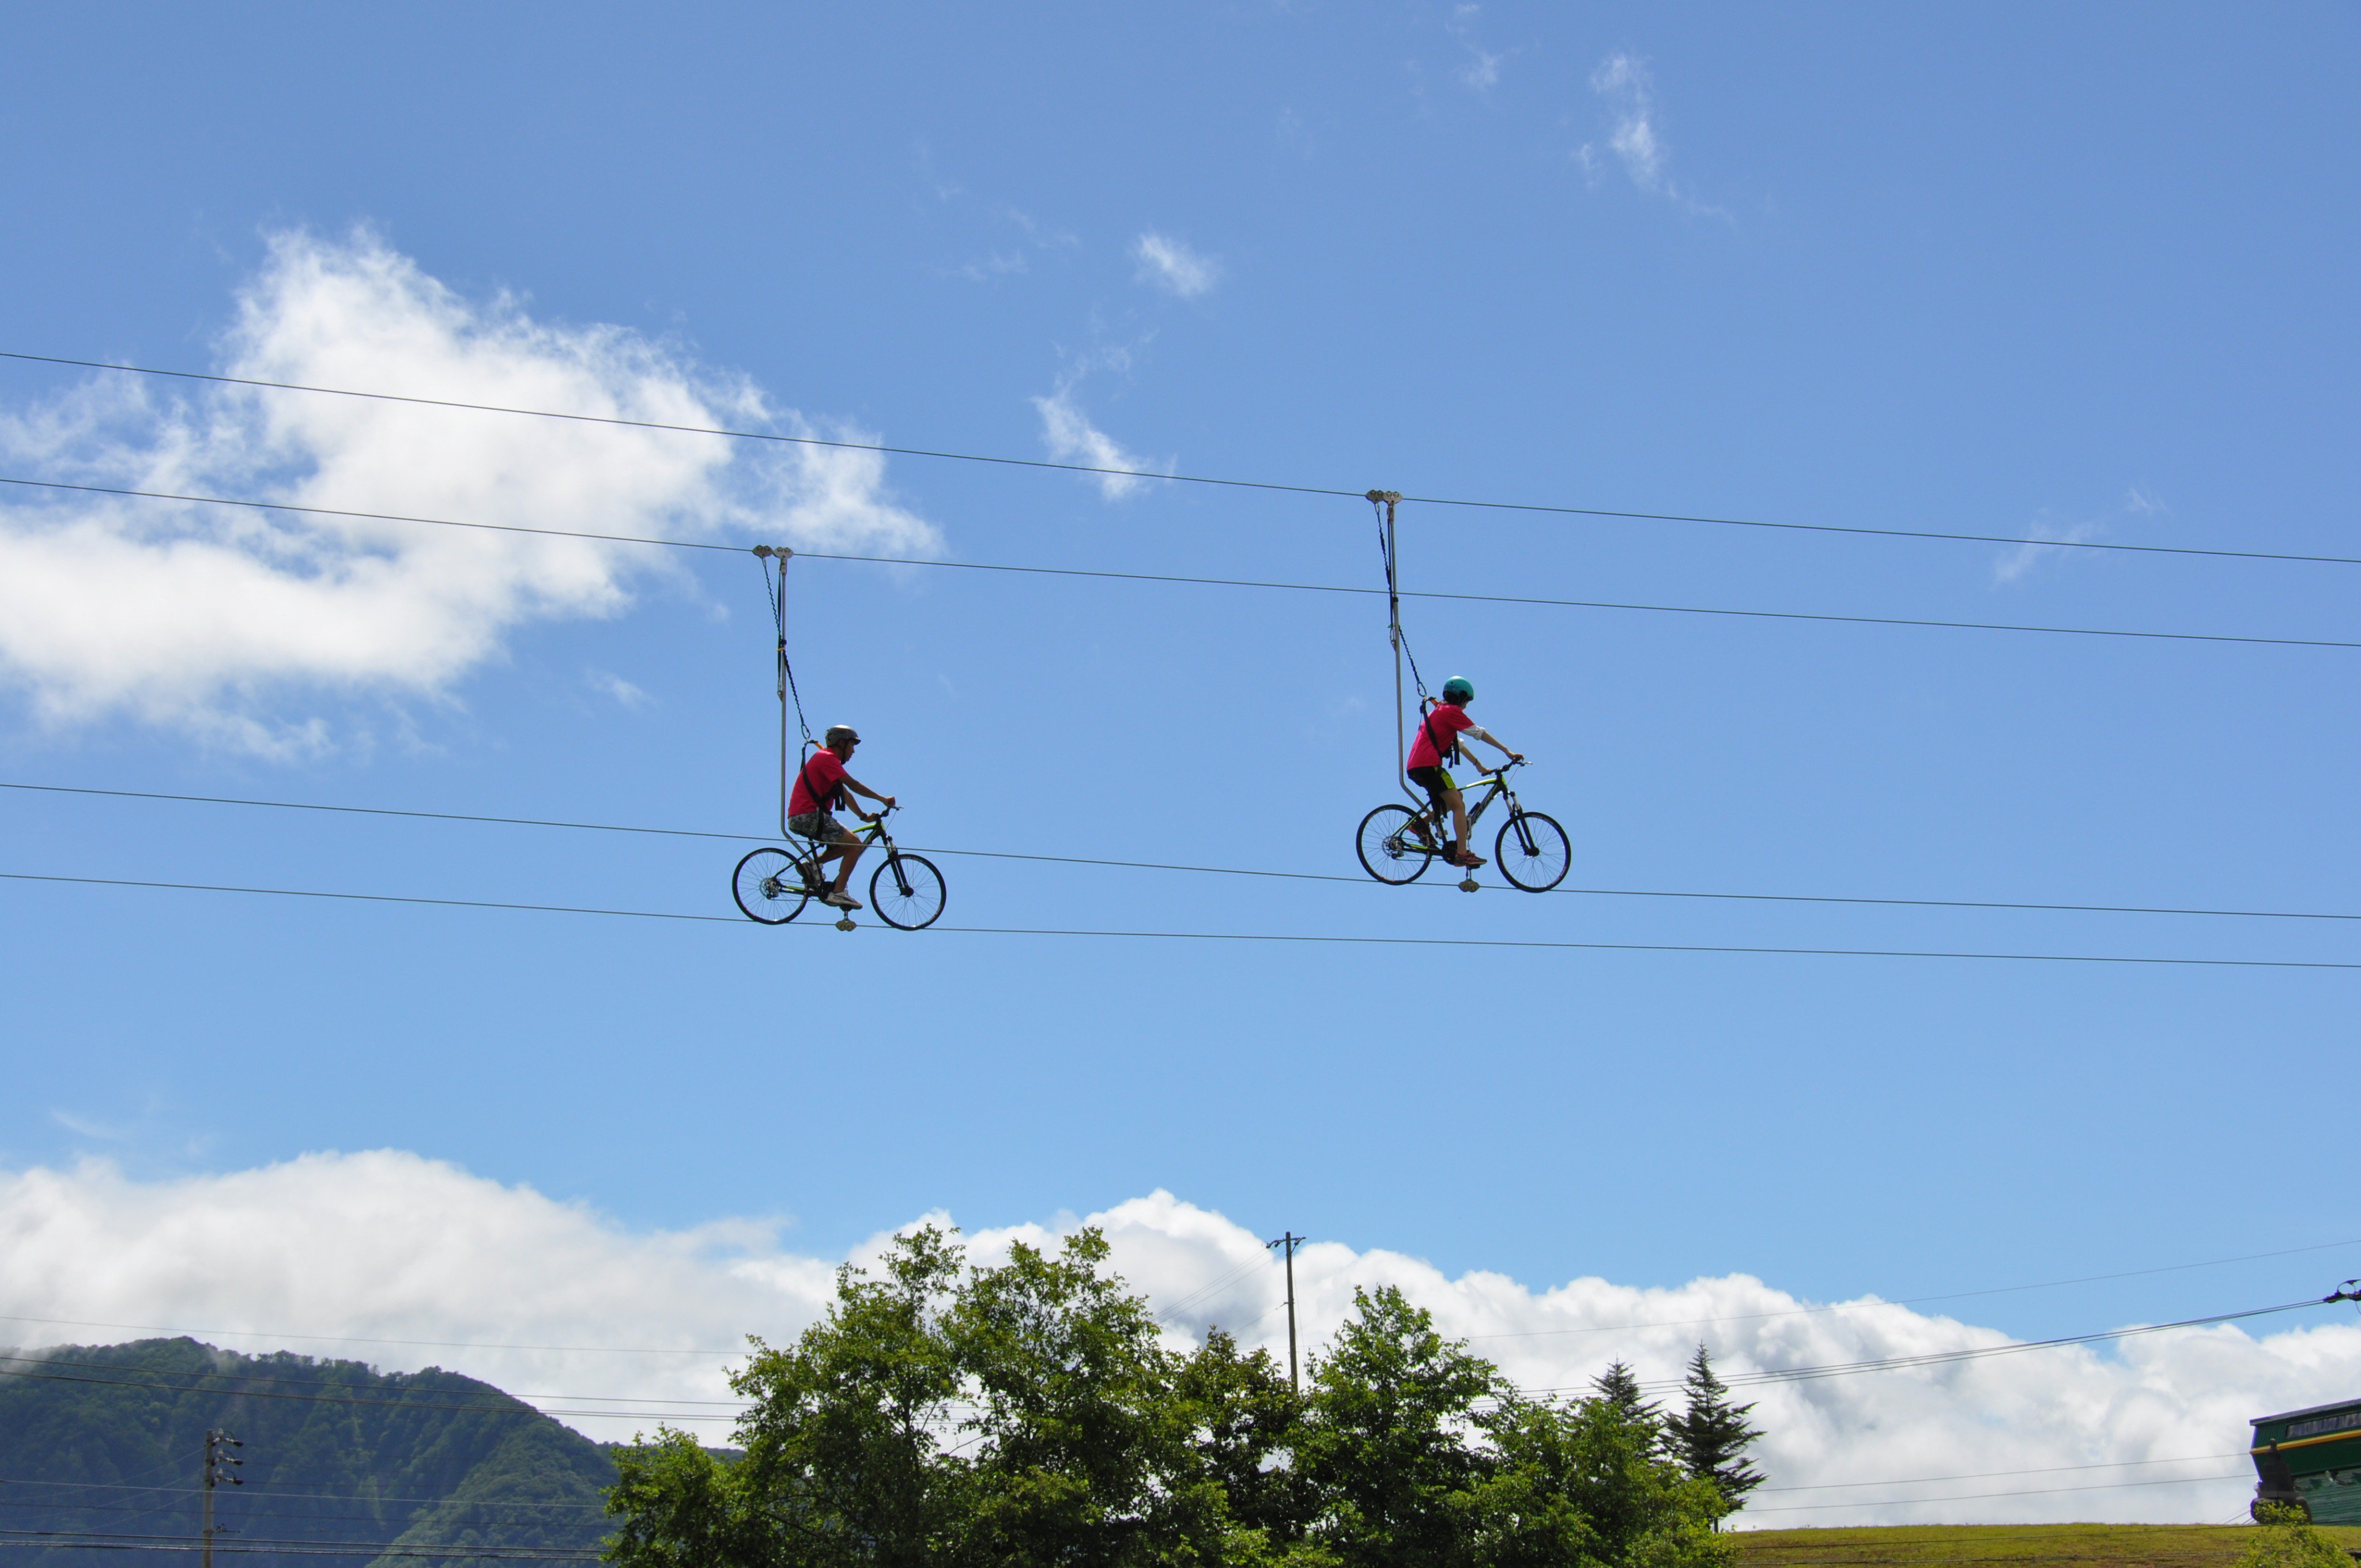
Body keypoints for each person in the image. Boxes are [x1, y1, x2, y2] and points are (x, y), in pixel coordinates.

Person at [1405, 676, 1522, 869]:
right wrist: (1507, 751)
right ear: (1460, 697)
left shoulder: (1440, 711)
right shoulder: (1451, 711)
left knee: (1456, 797)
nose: (1466, 706)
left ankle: (1421, 824)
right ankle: (1462, 854)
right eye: (1466, 701)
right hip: (1428, 766)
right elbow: (1479, 733)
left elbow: (1457, 744)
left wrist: (1478, 765)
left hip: (1419, 766)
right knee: (1459, 805)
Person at [787, 724, 897, 910]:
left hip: (804, 816)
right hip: (808, 815)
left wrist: (863, 816)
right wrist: (882, 799)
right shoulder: (828, 758)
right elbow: (854, 785)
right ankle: (838, 893)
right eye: (852, 746)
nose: (853, 751)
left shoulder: (828, 763)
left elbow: (846, 795)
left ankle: (812, 865)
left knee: (848, 845)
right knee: (856, 844)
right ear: (841, 743)